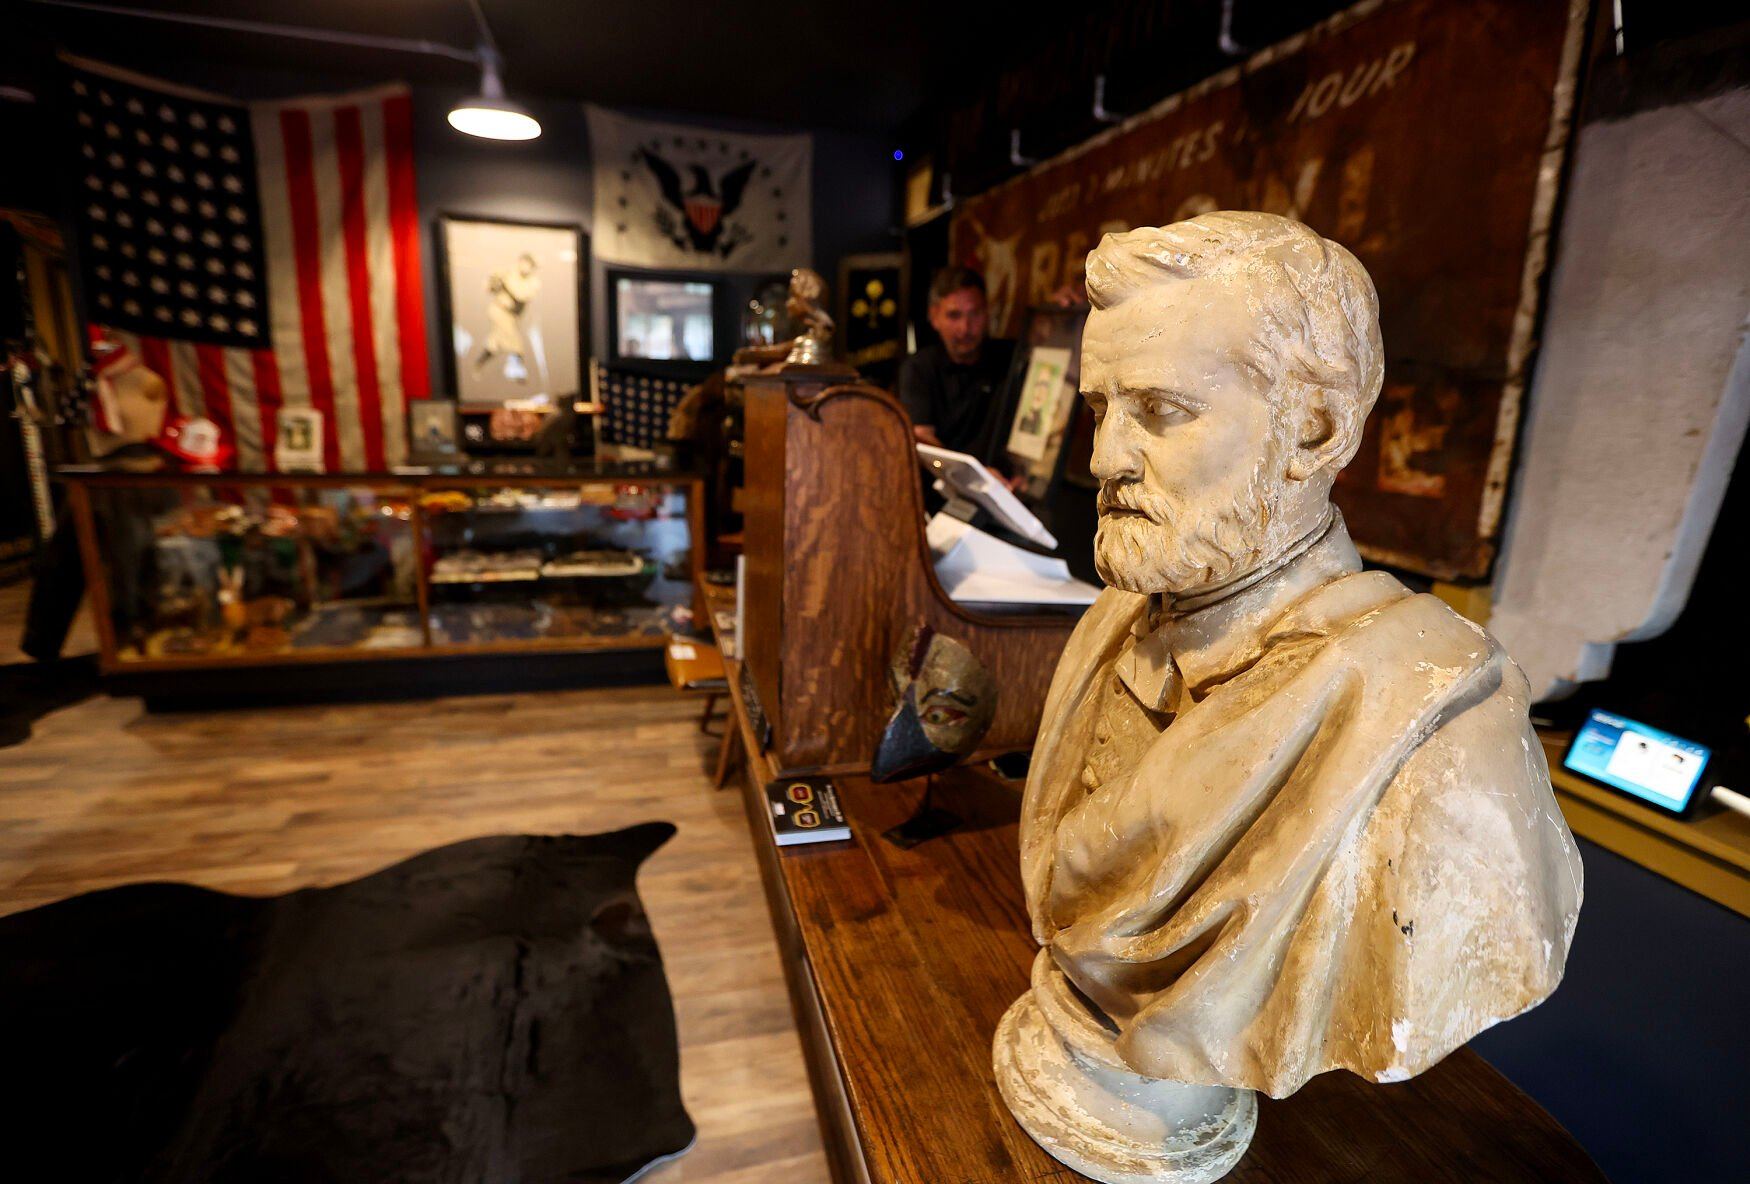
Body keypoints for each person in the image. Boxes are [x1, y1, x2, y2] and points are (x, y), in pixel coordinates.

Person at [994, 214, 1581, 1180]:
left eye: (1163, 410)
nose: (1103, 458)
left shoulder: (1438, 732)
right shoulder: (1110, 624)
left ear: (1315, 429)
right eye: (1102, 408)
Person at [897, 267, 1015, 465]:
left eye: (974, 313)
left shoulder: (1010, 358)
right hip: (942, 488)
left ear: (987, 312)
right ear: (934, 317)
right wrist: (977, 478)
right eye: (954, 315)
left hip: (1007, 486)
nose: (965, 328)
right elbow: (923, 441)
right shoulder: (919, 369)